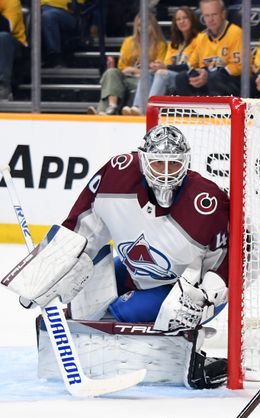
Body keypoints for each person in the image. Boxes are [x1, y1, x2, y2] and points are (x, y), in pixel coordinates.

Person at [2, 125, 230, 389]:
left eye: (174, 165)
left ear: (186, 162)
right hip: (137, 273)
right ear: (143, 160)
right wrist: (44, 272)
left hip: (183, 289)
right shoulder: (117, 175)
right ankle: (91, 346)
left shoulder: (207, 200)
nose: (166, 174)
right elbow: (82, 228)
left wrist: (210, 291)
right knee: (83, 296)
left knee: (124, 309)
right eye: (158, 164)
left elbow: (240, 249)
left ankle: (133, 354)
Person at [123, 6, 202, 116]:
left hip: (187, 76)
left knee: (161, 73)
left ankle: (149, 110)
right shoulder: (174, 43)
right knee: (147, 73)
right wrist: (157, 65)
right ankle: (137, 108)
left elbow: (190, 66)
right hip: (171, 75)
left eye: (185, 18)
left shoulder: (200, 39)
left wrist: (165, 67)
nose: (181, 21)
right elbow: (166, 64)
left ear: (192, 20)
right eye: (178, 19)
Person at [88, 12, 166, 116]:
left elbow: (158, 70)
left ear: (153, 26)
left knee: (137, 79)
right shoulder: (129, 42)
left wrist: (134, 70)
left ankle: (101, 112)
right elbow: (122, 68)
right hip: (128, 77)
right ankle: (111, 107)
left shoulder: (160, 45)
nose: (142, 28)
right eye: (139, 25)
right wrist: (134, 70)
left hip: (145, 80)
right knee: (111, 72)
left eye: (146, 25)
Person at [174, 0, 243, 97]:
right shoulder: (202, 37)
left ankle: (217, 111)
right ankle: (192, 110)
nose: (210, 19)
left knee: (214, 77)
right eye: (207, 16)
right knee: (181, 77)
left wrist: (208, 74)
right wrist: (199, 73)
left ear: (223, 14)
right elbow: (192, 64)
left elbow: (238, 67)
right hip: (209, 77)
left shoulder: (236, 33)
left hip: (232, 81)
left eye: (214, 15)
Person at [41, 0, 85, 67]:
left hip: (65, 13)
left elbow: (80, 4)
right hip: (39, 10)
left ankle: (55, 57)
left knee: (49, 16)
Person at [0, 0, 27, 101]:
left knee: (2, 37)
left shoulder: (11, 1)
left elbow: (8, 27)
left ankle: (3, 87)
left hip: (14, 46)